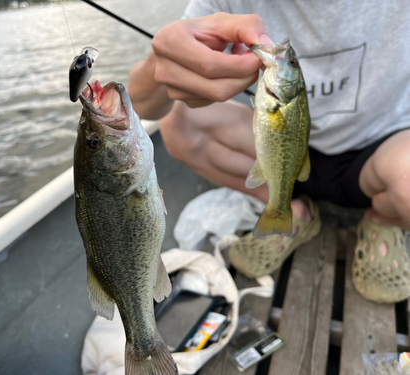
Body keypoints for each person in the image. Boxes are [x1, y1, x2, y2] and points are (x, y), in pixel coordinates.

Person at [127, 1, 410, 304]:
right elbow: (143, 106)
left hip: (382, 149)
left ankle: (385, 219)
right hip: (289, 155)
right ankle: (290, 211)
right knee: (175, 120)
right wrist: (163, 62)